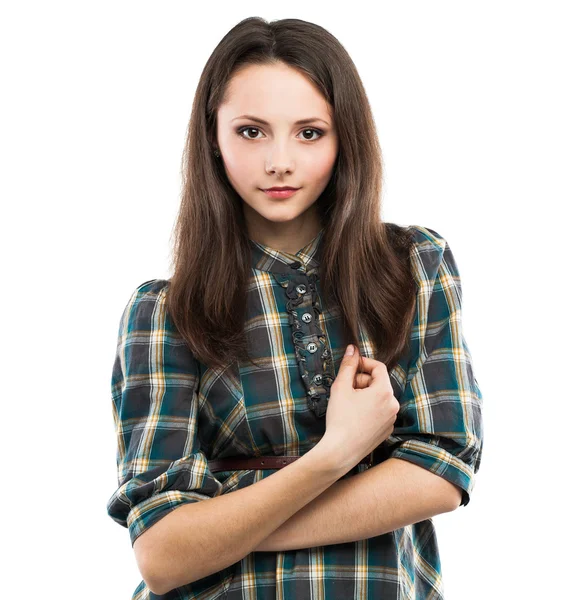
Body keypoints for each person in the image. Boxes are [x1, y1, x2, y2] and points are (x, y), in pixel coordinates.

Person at [106, 16, 484, 600]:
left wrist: (221, 529)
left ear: (344, 138)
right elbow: (160, 555)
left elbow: (441, 473)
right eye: (252, 132)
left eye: (309, 132)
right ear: (213, 136)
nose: (279, 161)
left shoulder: (410, 265)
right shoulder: (165, 313)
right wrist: (336, 453)